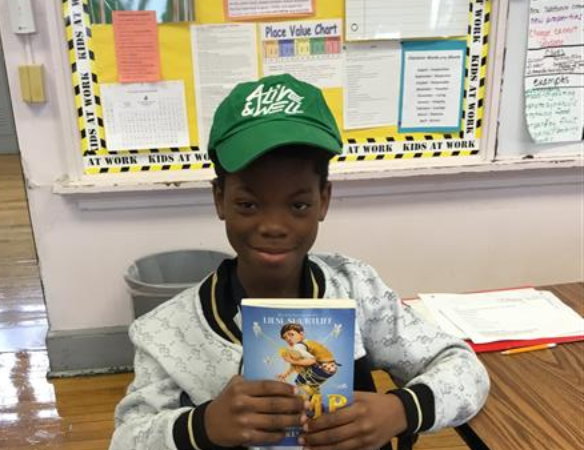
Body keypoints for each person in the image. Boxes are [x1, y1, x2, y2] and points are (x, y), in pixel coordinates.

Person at [109, 73, 490, 450]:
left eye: (298, 205)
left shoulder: (357, 289)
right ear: (219, 199)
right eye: (248, 204)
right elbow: (126, 439)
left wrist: (400, 410)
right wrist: (203, 425)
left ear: (324, 200)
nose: (274, 226)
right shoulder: (167, 331)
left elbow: (464, 368)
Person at [277, 323, 340, 399]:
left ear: (301, 334)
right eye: (285, 338)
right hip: (331, 368)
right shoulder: (308, 342)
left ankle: (307, 399)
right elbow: (298, 363)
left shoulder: (298, 346)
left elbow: (311, 361)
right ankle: (314, 398)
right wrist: (286, 373)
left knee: (299, 381)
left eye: (291, 334)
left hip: (322, 368)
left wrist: (291, 361)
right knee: (311, 384)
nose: (288, 339)